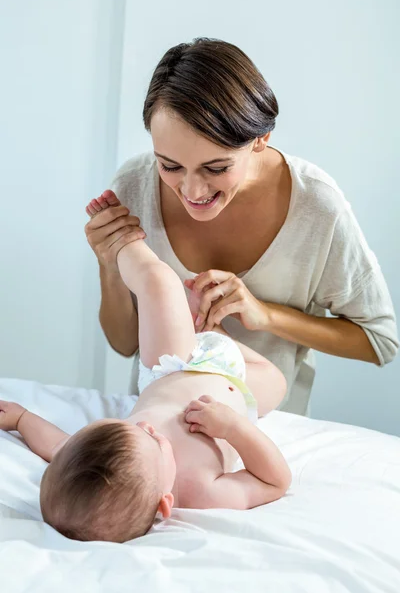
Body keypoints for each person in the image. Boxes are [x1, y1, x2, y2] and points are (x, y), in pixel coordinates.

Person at [85, 37, 398, 415]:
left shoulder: (316, 207)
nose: (191, 190)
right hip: (160, 421)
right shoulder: (134, 186)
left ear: (261, 139)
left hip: (267, 428)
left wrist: (265, 314)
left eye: (216, 168)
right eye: (169, 165)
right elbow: (123, 344)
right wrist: (110, 263)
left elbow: (379, 341)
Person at [0, 213, 290, 543]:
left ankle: (120, 242)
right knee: (277, 381)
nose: (147, 426)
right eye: (153, 440)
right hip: (237, 386)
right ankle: (208, 329)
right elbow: (274, 481)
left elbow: (56, 445)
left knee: (160, 284)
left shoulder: (97, 453)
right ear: (164, 504)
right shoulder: (201, 492)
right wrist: (234, 428)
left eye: (131, 427)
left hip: (173, 366)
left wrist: (22, 419)